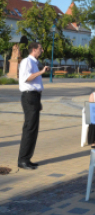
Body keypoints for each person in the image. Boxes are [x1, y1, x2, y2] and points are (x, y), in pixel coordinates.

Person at [18, 42, 49, 170]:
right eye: (41, 48)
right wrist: (41, 72)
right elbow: (26, 78)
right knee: (29, 128)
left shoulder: (34, 63)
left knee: (34, 129)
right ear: (34, 49)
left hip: (34, 96)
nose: (42, 50)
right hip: (29, 96)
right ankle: (23, 160)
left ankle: (27, 158)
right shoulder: (27, 61)